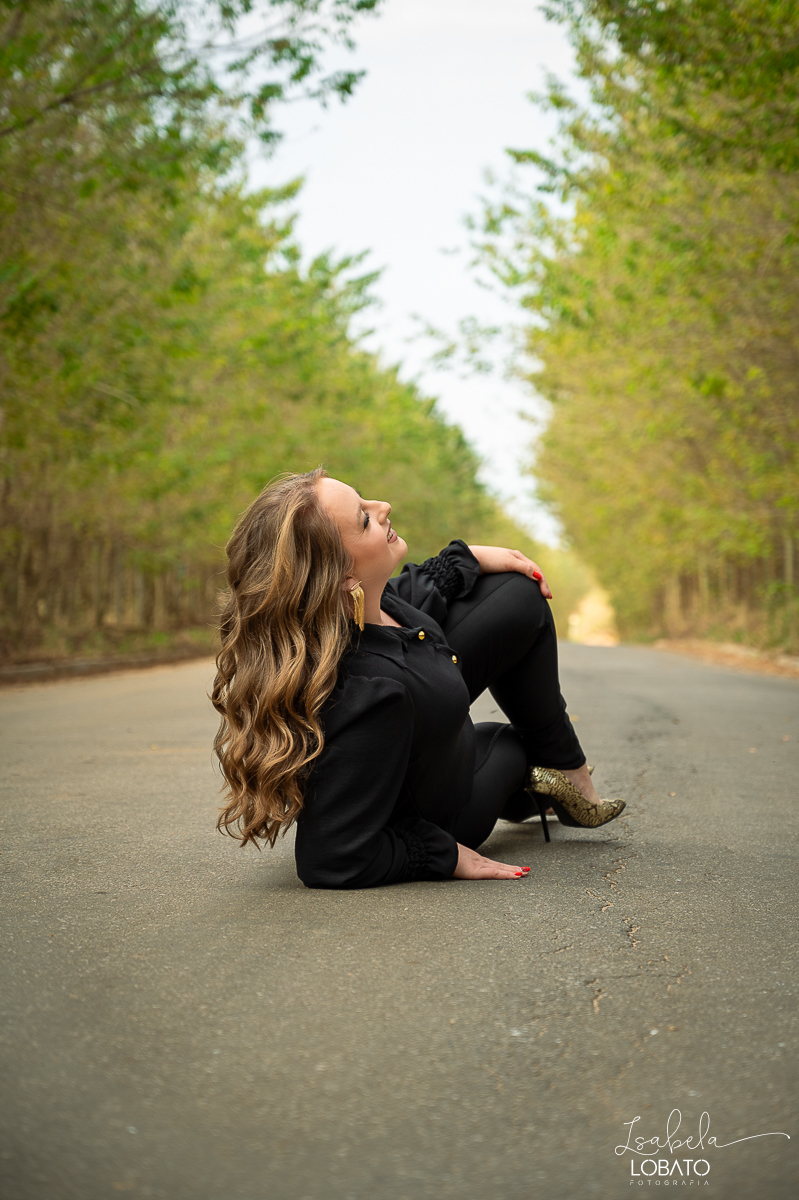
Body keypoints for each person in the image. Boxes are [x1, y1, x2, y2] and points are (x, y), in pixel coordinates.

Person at [212, 468, 626, 889]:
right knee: (510, 747)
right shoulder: (371, 696)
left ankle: (561, 771)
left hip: (435, 740)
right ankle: (536, 785)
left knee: (516, 596)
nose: (383, 507)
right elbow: (330, 857)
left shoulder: (362, 606)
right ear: (344, 577)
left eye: (365, 499)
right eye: (365, 519)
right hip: (446, 809)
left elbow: (412, 591)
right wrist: (440, 854)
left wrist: (466, 558)